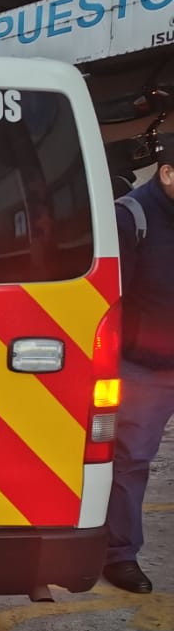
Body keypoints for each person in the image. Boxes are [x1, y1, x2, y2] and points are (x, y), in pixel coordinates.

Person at [105, 148, 174, 593]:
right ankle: (119, 554)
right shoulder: (131, 218)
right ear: (168, 173)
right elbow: (109, 300)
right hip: (145, 368)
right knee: (131, 462)